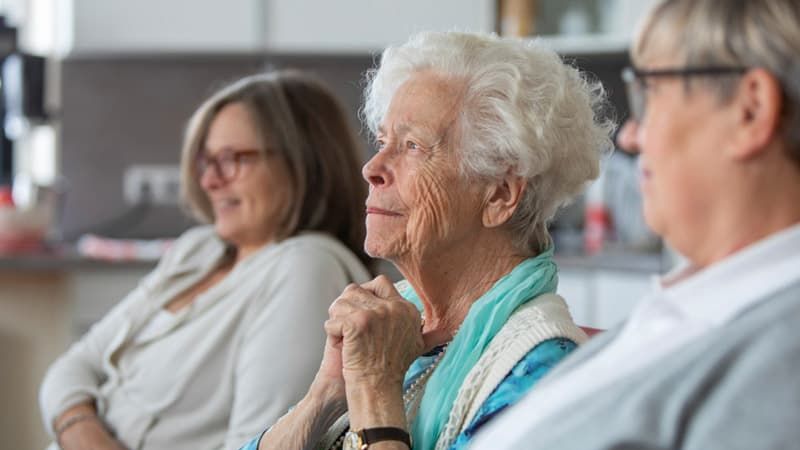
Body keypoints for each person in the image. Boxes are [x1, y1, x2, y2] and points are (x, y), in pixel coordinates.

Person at [238, 31, 614, 450]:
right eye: (383, 143)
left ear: (500, 195)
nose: (372, 167)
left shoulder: (542, 376)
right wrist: (324, 396)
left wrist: (375, 391)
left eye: (413, 146)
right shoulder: (395, 321)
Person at [471, 0, 800, 449]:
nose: (629, 135)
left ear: (750, 109)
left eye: (649, 94)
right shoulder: (694, 306)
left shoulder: (779, 364)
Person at [39, 71, 374, 450]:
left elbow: (254, 444)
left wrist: (75, 428)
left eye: (232, 159)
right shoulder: (199, 250)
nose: (210, 180)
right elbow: (69, 370)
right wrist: (81, 427)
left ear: (304, 163)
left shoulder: (305, 269)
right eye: (206, 160)